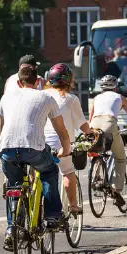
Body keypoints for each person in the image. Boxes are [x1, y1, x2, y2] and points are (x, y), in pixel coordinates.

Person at [0, 64, 71, 250]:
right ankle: (53, 215)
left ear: (19, 82)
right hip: (33, 148)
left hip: (6, 148)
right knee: (50, 170)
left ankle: (12, 228)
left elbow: (2, 126)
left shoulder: (6, 97)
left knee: (14, 186)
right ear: (38, 81)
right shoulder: (45, 97)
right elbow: (61, 131)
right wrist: (66, 149)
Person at [43, 64, 95, 212]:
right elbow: (82, 124)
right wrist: (91, 134)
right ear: (69, 80)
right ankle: (73, 205)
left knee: (38, 170)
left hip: (41, 141)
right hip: (61, 143)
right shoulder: (71, 99)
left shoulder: (42, 95)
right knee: (67, 172)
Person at [89, 74, 127, 206]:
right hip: (109, 123)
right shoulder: (119, 97)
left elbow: (90, 117)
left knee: (96, 149)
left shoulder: (96, 98)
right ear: (115, 87)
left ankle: (95, 176)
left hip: (94, 124)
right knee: (120, 157)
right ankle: (115, 189)